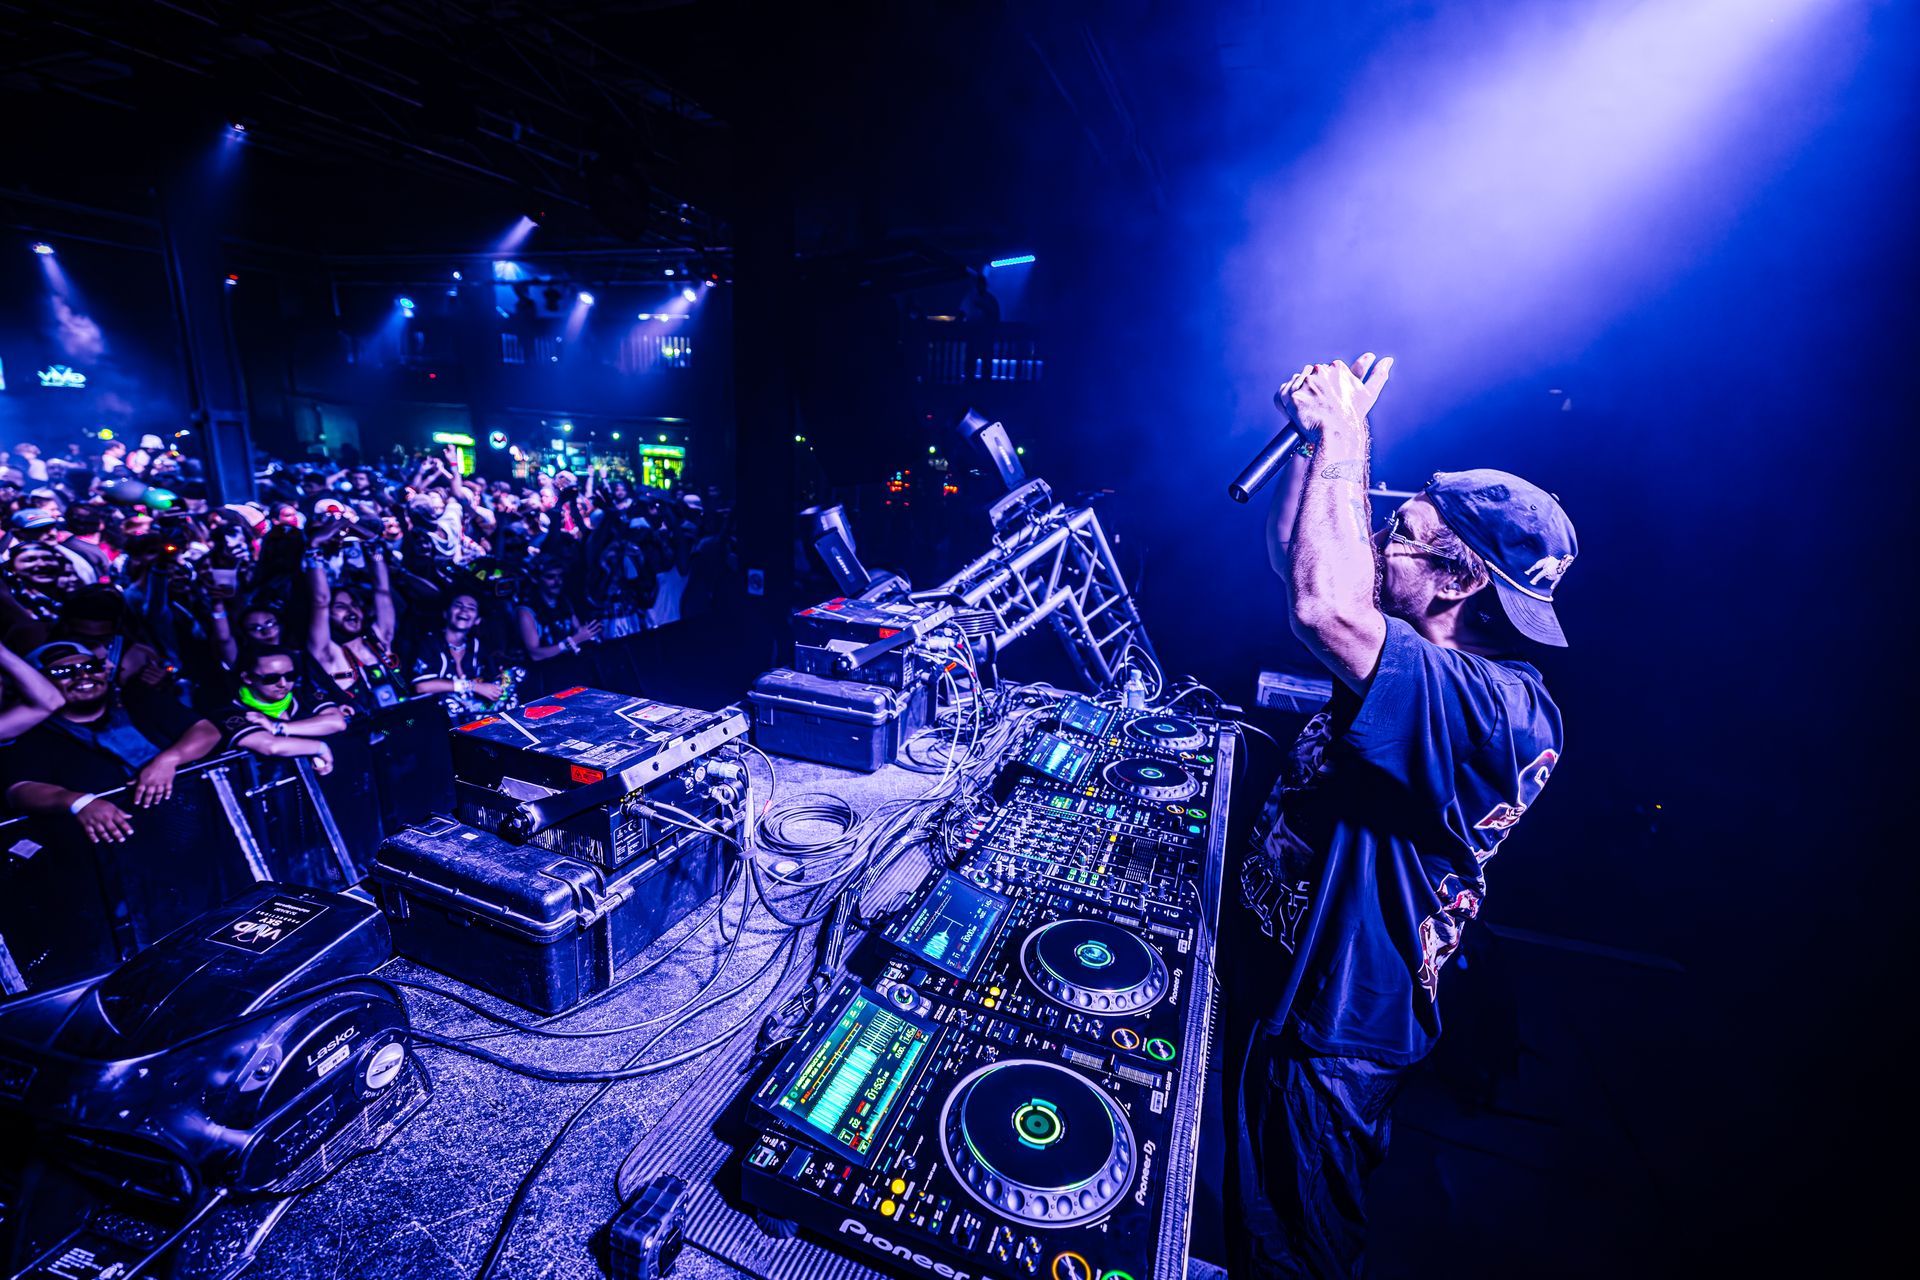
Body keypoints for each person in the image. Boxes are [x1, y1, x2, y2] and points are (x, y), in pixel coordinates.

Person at [1224, 354, 1576, 1279]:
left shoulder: (1493, 707)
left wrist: (1348, 434)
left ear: (1460, 581)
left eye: (1403, 535)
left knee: (1290, 1256)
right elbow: (1296, 558)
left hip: (1334, 1037)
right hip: (1283, 986)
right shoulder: (1411, 650)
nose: (1378, 542)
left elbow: (1323, 604)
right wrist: (1314, 447)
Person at [1, 640, 222, 844]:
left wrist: (169, 760)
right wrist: (77, 802)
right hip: (110, 850)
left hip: (191, 828)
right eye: (62, 672)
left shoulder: (137, 700)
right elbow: (19, 790)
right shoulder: (33, 732)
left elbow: (206, 731)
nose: (82, 676)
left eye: (90, 667)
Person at [220, 645, 344, 773]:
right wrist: (320, 748)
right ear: (247, 678)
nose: (283, 684)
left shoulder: (303, 693)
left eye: (290, 676)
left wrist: (277, 728)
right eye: (271, 678)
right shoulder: (232, 711)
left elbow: (337, 722)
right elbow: (270, 746)